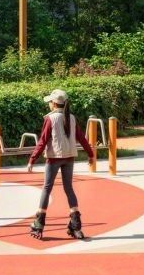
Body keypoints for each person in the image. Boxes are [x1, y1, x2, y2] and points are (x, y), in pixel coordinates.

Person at [26, 88, 94, 240]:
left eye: (50, 101)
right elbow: (81, 138)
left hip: (54, 158)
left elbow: (43, 141)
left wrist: (32, 159)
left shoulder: (50, 118)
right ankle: (76, 226)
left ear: (54, 103)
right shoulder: (72, 118)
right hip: (69, 157)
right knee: (69, 188)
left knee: (47, 188)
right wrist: (90, 154)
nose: (49, 104)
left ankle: (39, 223)